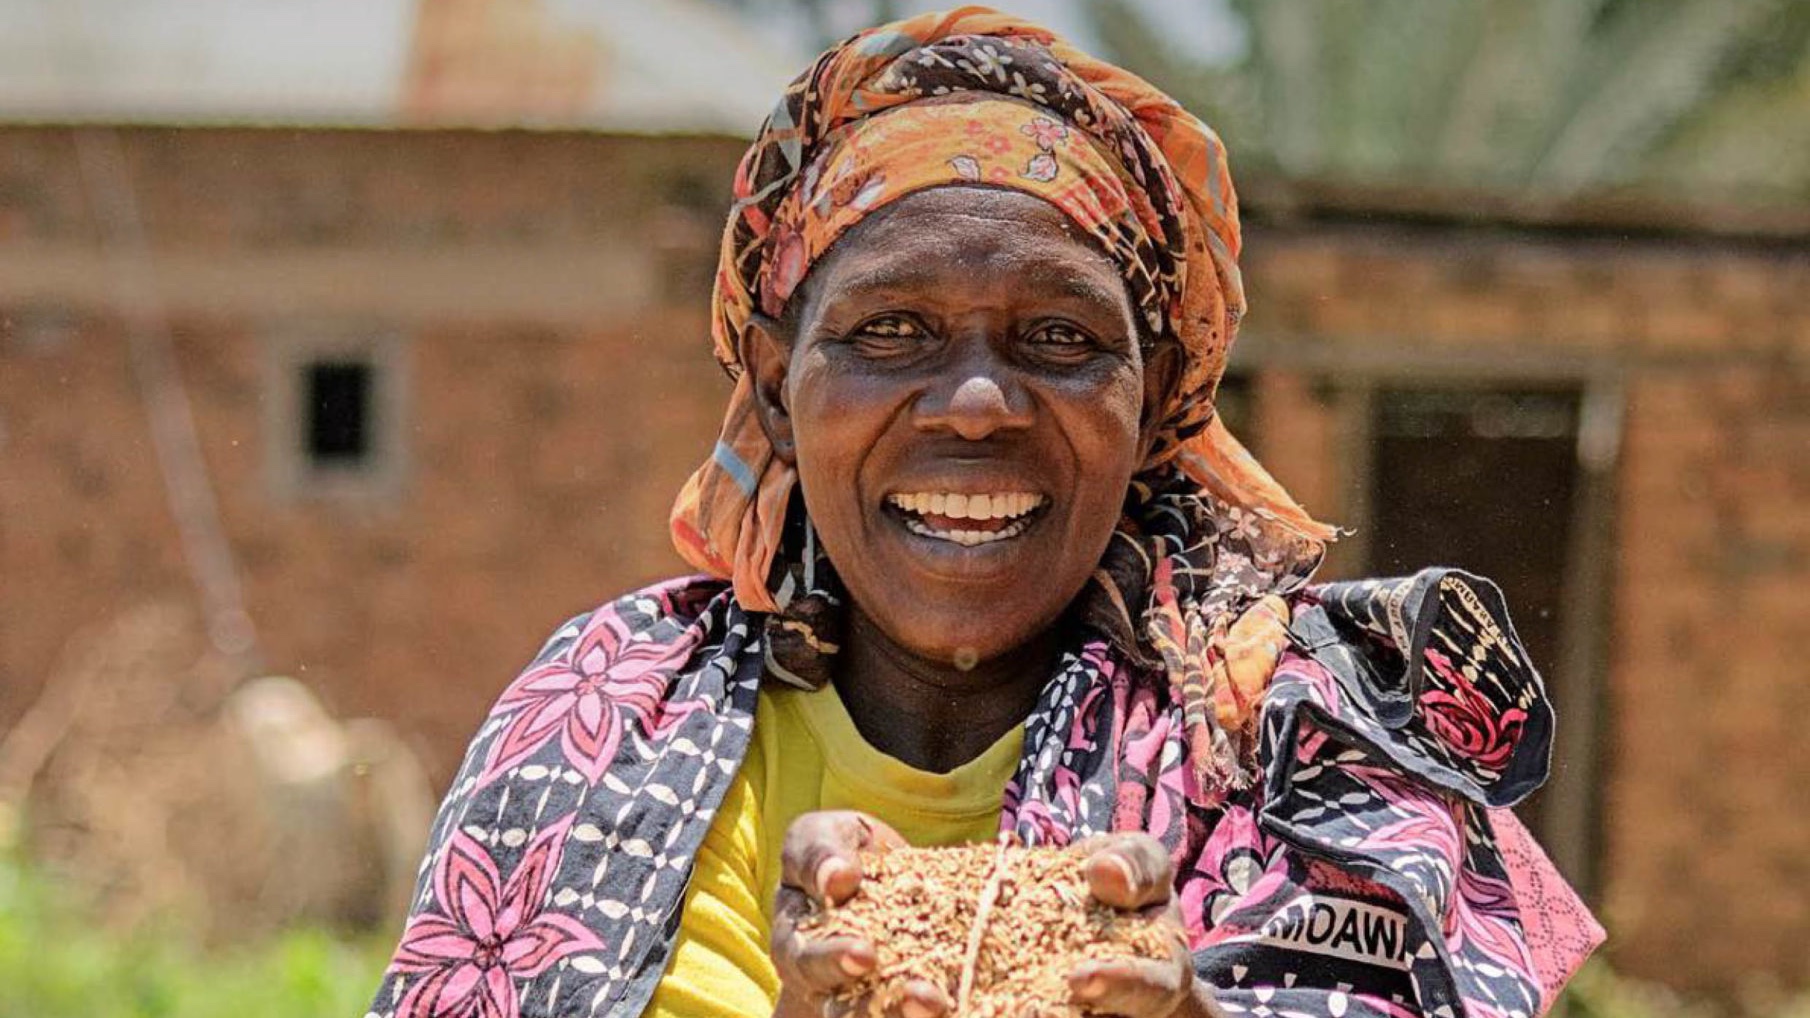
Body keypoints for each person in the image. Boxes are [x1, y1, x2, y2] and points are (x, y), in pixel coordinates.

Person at [365, 9, 1603, 1018]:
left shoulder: (1297, 736)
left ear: (1158, 395)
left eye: (1059, 338)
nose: (972, 406)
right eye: (886, 330)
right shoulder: (602, 713)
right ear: (773, 387)